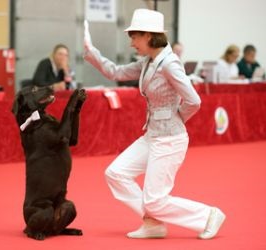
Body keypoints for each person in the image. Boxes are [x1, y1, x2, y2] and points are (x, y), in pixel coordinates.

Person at [83, 9, 225, 239]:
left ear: (149, 36)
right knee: (116, 173)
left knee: (155, 200)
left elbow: (194, 100)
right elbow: (115, 72)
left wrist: (174, 119)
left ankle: (208, 216)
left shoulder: (169, 64)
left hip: (170, 139)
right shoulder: (149, 61)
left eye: (134, 36)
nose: (131, 43)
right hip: (152, 135)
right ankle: (153, 223)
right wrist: (91, 52)